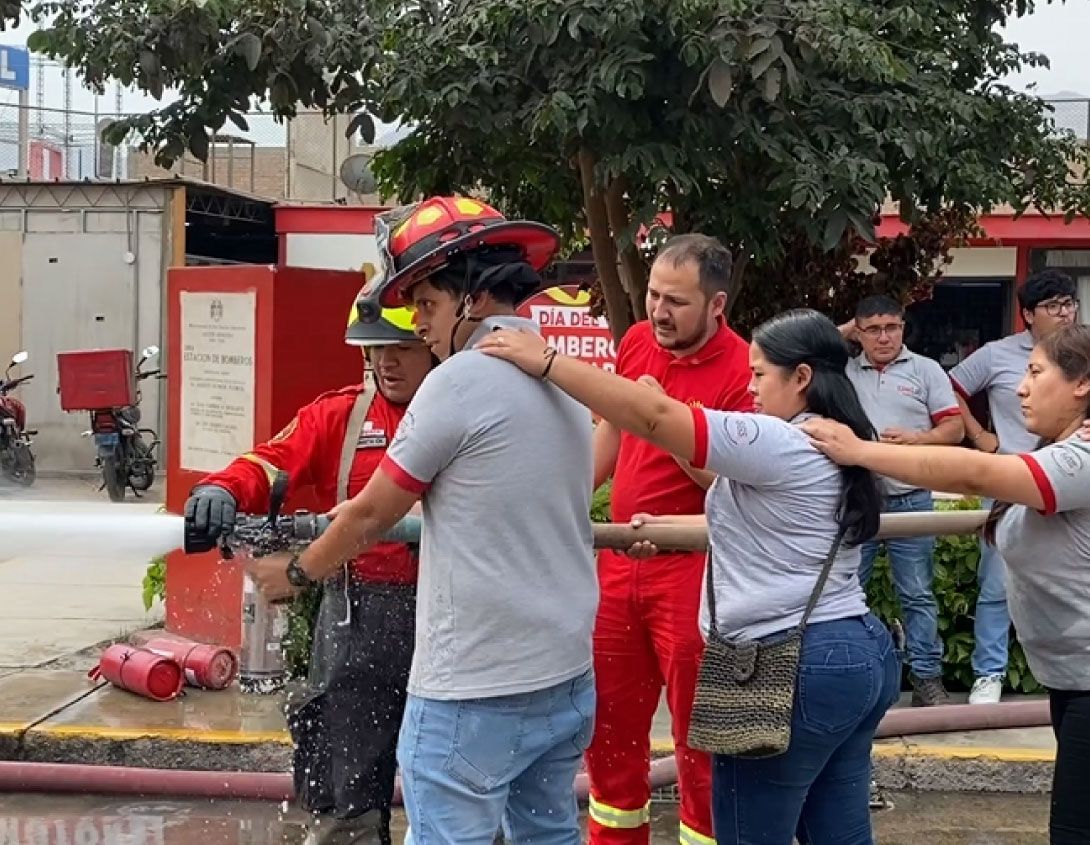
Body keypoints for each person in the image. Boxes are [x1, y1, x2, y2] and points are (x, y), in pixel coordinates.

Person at [246, 196, 599, 845]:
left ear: (474, 298)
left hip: (474, 685)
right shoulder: (564, 375)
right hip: (563, 676)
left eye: (429, 306)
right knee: (546, 834)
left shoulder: (460, 380)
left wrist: (297, 570)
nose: (421, 327)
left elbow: (377, 509)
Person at [479, 308, 899, 845]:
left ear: (801, 378)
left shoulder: (777, 440)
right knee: (838, 831)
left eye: (760, 374)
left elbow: (656, 418)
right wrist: (668, 526)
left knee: (749, 829)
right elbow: (768, 527)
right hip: (856, 650)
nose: (750, 388)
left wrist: (548, 362)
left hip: (791, 662)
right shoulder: (836, 439)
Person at [802, 322, 1090, 845]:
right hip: (1073, 679)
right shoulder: (1057, 450)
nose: (1020, 387)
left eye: (1035, 372)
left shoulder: (1084, 457)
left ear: (1082, 384)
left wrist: (861, 452)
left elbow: (973, 475)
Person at [183, 304, 435, 844]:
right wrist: (223, 488)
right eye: (376, 350)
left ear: (434, 344)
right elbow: (274, 460)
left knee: (456, 785)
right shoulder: (341, 417)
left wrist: (299, 570)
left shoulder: (464, 414)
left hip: (448, 617)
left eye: (403, 349)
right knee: (342, 787)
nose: (387, 363)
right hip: (359, 618)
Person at [587, 234, 751, 845]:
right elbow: (609, 431)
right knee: (608, 733)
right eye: (654, 294)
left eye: (676, 301)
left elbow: (733, 486)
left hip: (695, 569)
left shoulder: (744, 369)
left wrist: (667, 420)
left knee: (698, 740)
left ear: (717, 305)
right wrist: (566, 500)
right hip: (620, 562)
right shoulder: (634, 343)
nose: (658, 310)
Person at [949, 269, 1079, 704]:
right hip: (1011, 481)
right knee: (997, 583)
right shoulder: (997, 354)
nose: (1065, 312)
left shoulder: (1082, 355)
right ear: (1027, 314)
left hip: (1067, 479)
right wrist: (984, 440)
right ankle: (990, 672)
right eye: (1053, 305)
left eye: (1069, 302)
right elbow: (950, 388)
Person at [845, 294, 964, 706]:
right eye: (873, 329)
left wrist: (917, 439)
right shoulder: (841, 372)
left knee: (917, 593)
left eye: (892, 327)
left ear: (903, 328)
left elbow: (954, 429)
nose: (884, 337)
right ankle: (852, 674)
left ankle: (927, 680)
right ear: (857, 332)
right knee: (846, 591)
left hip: (911, 498)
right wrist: (845, 333)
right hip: (857, 499)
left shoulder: (926, 370)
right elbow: (808, 347)